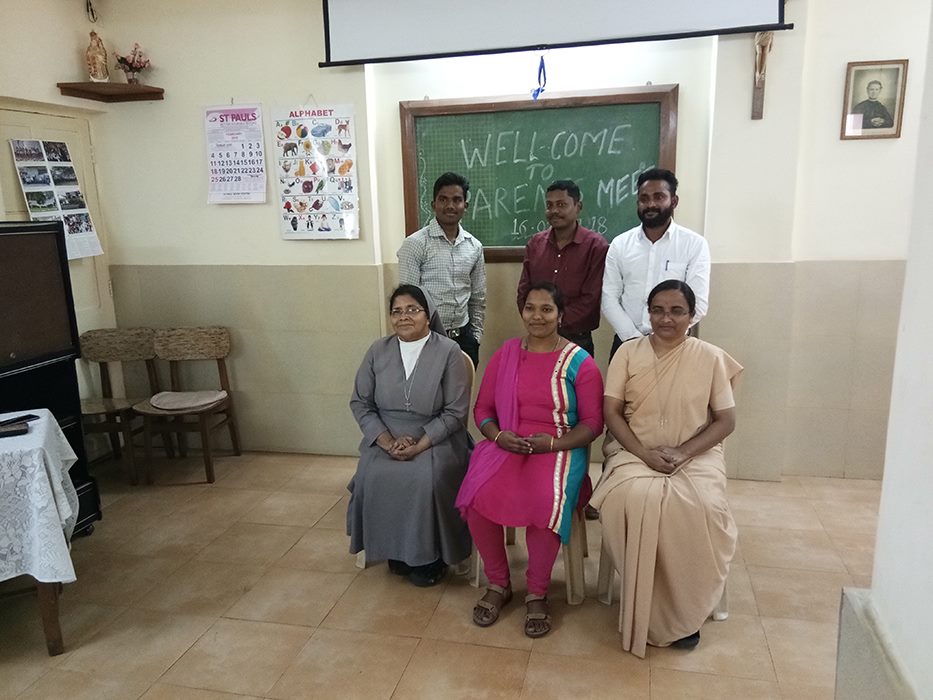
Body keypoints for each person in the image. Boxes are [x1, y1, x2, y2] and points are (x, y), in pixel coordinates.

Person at [592, 279, 742, 658]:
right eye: (657, 309)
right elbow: (611, 412)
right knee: (631, 497)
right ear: (648, 311)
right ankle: (645, 601)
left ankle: (684, 611)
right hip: (632, 452)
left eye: (677, 311)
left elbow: (725, 421)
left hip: (697, 455)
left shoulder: (709, 357)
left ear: (692, 316)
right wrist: (643, 454)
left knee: (702, 506)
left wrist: (683, 452)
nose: (666, 318)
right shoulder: (627, 353)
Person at [456, 282, 604, 638]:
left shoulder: (579, 362)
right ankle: (499, 583)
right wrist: (497, 436)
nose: (537, 316)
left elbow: (592, 424)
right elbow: (484, 409)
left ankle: (537, 591)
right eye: (530, 308)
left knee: (545, 502)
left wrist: (552, 444)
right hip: (507, 441)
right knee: (476, 496)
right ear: (522, 311)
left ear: (561, 314)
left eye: (547, 309)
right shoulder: (506, 353)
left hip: (560, 447)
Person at [347, 284, 472, 587]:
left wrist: (420, 444)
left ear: (427, 315)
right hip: (386, 435)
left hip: (437, 437)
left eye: (412, 310)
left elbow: (456, 412)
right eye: (397, 311)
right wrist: (387, 442)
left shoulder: (449, 352)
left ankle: (431, 556)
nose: (404, 317)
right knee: (371, 473)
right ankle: (394, 549)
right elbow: (360, 403)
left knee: (425, 478)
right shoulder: (378, 350)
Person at [601, 168, 711, 359]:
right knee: (621, 390)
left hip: (675, 345)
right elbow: (609, 298)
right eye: (644, 199)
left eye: (659, 197)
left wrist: (664, 335)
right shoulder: (620, 244)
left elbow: (698, 303)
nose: (650, 204)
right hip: (626, 344)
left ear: (673, 201)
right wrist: (633, 339)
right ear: (638, 203)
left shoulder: (694, 244)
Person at [398, 172, 486, 367]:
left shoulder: (474, 247)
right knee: (427, 396)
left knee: (461, 396)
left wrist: (475, 336)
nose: (450, 206)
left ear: (466, 206)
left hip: (464, 339)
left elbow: (478, 298)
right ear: (433, 204)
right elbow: (406, 302)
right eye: (443, 199)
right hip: (427, 338)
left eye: (457, 200)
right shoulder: (415, 244)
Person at [516, 180, 609, 358]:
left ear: (578, 206)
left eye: (561, 205)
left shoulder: (595, 246)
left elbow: (591, 299)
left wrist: (551, 321)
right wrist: (536, 320)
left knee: (573, 386)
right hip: (538, 338)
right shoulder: (536, 243)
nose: (554, 211)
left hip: (577, 341)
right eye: (549, 205)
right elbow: (523, 292)